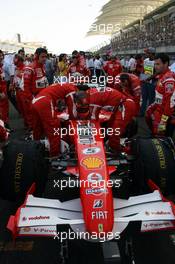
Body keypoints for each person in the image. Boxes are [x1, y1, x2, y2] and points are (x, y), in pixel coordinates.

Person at [146, 53, 175, 136]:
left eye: (158, 64)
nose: (155, 66)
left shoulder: (169, 79)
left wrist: (163, 121)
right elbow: (160, 97)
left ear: (166, 64)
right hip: (158, 110)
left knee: (161, 139)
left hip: (164, 115)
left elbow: (169, 103)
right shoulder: (161, 76)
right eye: (155, 64)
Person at [22, 47, 49, 130]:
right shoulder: (29, 68)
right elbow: (25, 86)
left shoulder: (42, 67)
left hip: (41, 97)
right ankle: (32, 134)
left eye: (45, 57)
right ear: (37, 56)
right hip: (33, 98)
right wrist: (31, 99)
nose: (44, 59)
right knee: (33, 119)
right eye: (42, 57)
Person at [140, 47, 157, 116]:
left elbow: (157, 72)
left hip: (152, 82)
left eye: (147, 53)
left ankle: (150, 114)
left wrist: (149, 78)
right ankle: (142, 112)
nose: (146, 54)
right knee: (144, 97)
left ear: (152, 53)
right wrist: (142, 77)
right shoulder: (146, 60)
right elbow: (143, 70)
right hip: (145, 81)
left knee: (151, 99)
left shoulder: (156, 61)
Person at [0, 50, 9, 127]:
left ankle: (5, 127)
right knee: (2, 111)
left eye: (2, 55)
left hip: (4, 90)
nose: (1, 57)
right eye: (0, 56)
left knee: (5, 109)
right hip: (1, 92)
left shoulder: (1, 67)